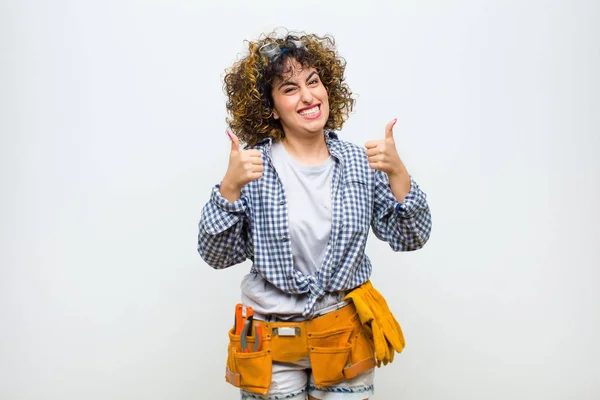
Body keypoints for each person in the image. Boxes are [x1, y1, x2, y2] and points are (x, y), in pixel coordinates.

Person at [197, 29, 432, 400]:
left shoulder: (360, 162)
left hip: (344, 334)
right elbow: (215, 255)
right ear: (270, 107)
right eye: (289, 89)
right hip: (271, 342)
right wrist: (229, 188)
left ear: (328, 88)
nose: (308, 96)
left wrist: (398, 173)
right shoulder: (251, 168)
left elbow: (411, 236)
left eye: (313, 82)